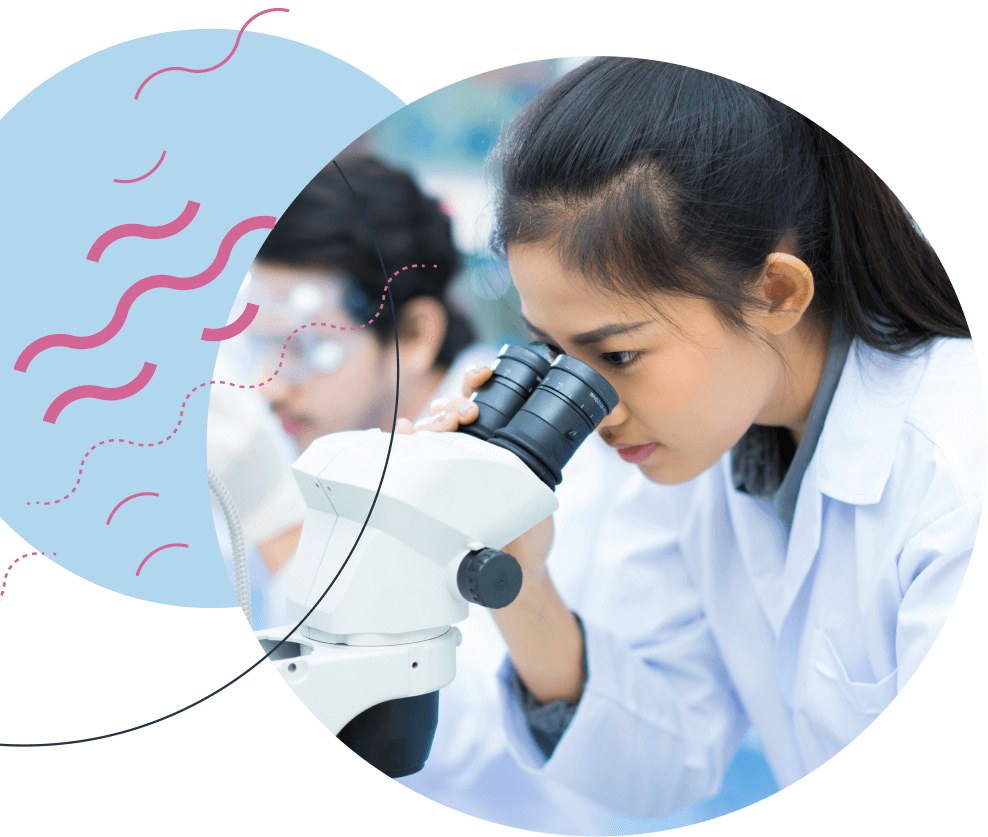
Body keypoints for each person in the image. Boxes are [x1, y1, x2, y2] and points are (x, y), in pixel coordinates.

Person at [405, 57, 982, 819]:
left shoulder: (954, 469)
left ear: (776, 291)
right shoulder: (710, 440)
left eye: (617, 355)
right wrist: (518, 580)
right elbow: (668, 758)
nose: (596, 410)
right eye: (552, 353)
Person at [210, 155, 617, 833]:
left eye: (308, 348)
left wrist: (280, 527)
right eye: (261, 345)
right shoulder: (318, 434)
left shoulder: (532, 481)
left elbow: (468, 731)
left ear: (418, 332)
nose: (273, 383)